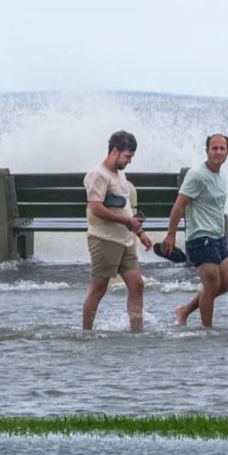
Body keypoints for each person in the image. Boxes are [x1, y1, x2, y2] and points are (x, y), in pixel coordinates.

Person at [82, 130, 153, 332]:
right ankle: (86, 332)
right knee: (98, 289)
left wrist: (140, 233)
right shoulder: (98, 175)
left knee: (137, 284)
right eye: (127, 156)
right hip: (104, 240)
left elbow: (127, 209)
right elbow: (95, 208)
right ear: (115, 151)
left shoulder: (119, 174)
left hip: (125, 240)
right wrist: (127, 221)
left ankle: (137, 332)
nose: (129, 161)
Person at [163, 133, 228, 328]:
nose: (218, 152)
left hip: (218, 238)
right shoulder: (197, 175)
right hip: (200, 237)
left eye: (222, 149)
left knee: (224, 285)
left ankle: (184, 311)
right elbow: (179, 206)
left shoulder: (222, 176)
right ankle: (207, 331)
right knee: (212, 286)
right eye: (214, 148)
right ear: (207, 151)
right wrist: (171, 234)